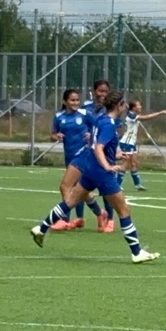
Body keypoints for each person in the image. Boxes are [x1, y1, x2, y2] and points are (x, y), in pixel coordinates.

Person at [31, 92, 158, 263]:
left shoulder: (101, 120)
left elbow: (98, 145)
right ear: (119, 105)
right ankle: (137, 252)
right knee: (123, 210)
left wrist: (118, 155)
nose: (126, 107)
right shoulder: (109, 125)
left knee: (71, 201)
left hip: (90, 169)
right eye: (124, 104)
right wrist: (108, 166)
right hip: (101, 173)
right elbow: (99, 147)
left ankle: (41, 228)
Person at [50, 88, 104, 232]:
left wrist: (91, 135)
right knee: (82, 191)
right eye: (72, 100)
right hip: (69, 156)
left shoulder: (85, 114)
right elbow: (53, 134)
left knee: (64, 186)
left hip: (83, 154)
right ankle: (100, 213)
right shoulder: (59, 116)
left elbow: (99, 128)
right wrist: (57, 136)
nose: (75, 103)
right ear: (65, 102)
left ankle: (64, 219)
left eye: (77, 100)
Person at [82, 80, 116, 230]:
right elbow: (81, 125)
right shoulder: (86, 107)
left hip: (105, 153)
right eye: (100, 91)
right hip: (87, 152)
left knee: (107, 189)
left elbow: (115, 131)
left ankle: (110, 220)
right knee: (81, 188)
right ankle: (81, 217)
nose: (102, 94)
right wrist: (85, 134)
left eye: (105, 91)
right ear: (94, 91)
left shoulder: (110, 110)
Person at [118, 100, 166, 191]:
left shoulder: (132, 114)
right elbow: (146, 118)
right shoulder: (131, 115)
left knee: (134, 163)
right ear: (134, 108)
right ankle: (117, 185)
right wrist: (160, 113)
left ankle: (137, 185)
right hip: (126, 143)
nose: (140, 106)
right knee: (125, 163)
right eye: (138, 105)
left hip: (131, 143)